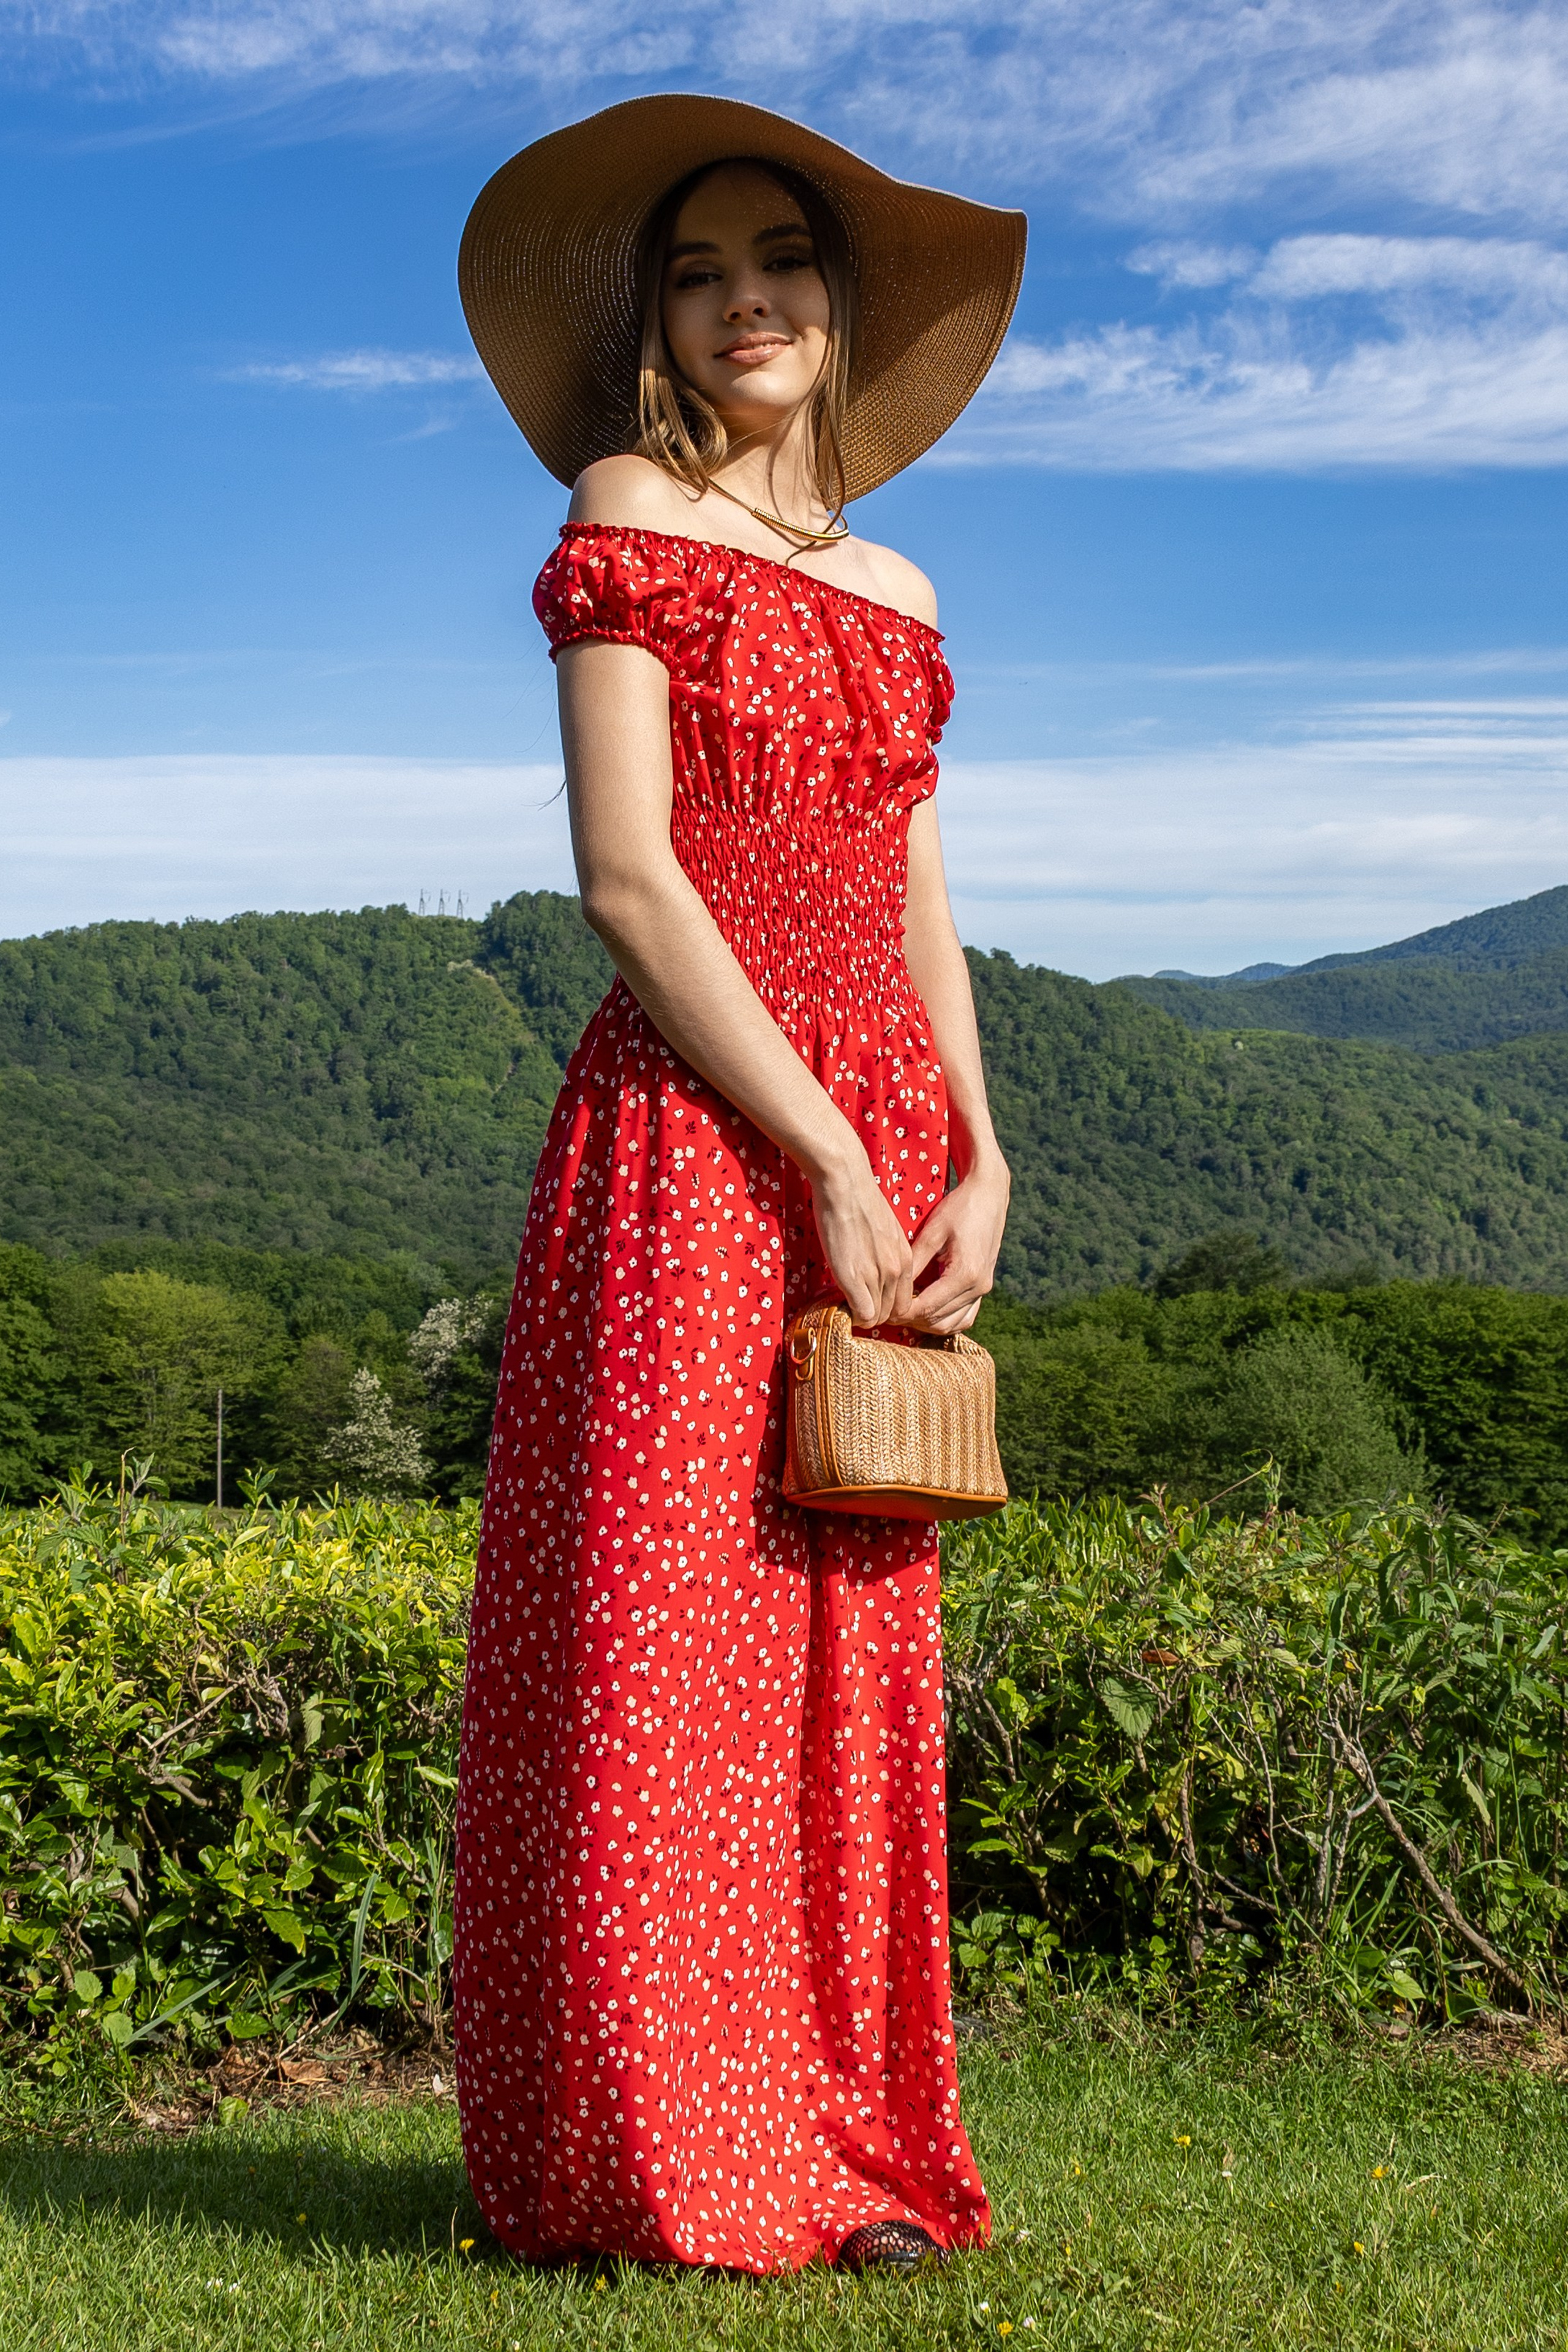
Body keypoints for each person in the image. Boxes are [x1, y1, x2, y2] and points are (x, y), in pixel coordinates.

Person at [451, 93, 1025, 2277]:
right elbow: (626, 876)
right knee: (662, 1647)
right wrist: (809, 1140)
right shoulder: (629, 511)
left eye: (776, 254)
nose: (744, 296)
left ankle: (839, 2141)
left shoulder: (899, 583)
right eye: (695, 271)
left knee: (836, 1655)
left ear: (837, 297)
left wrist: (975, 1146)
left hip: (885, 1125)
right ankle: (659, 2157)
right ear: (655, 325)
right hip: (701, 1127)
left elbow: (912, 894)